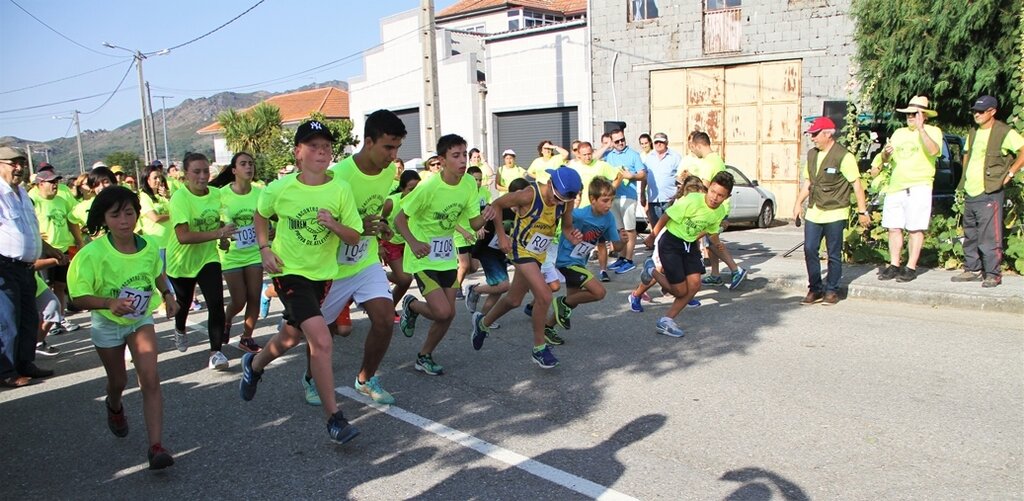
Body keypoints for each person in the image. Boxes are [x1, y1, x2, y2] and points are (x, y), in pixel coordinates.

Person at [240, 120, 364, 444]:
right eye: (313, 146)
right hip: (288, 271)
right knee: (321, 341)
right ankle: (334, 419)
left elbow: (354, 234)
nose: (321, 152)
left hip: (322, 275)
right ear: (298, 152)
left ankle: (253, 365)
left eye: (326, 147)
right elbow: (260, 213)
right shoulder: (280, 189)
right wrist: (264, 248)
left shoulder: (340, 189)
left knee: (291, 335)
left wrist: (333, 224)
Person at [66, 185, 178, 470]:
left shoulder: (148, 246)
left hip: (140, 320)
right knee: (118, 381)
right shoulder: (92, 254)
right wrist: (108, 302)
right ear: (104, 219)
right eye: (115, 215)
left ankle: (156, 447)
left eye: (129, 213)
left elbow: (157, 275)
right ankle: (114, 405)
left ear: (138, 215)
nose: (124, 221)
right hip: (107, 323)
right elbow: (77, 296)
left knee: (150, 378)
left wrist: (168, 295)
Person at [317, 109, 408, 405]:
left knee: (383, 319)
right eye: (388, 147)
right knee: (322, 331)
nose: (393, 155)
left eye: (397, 148)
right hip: (333, 265)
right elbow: (320, 219)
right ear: (368, 142)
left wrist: (379, 229)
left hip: (366, 259)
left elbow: (376, 211)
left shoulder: (386, 174)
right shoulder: (338, 174)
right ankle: (310, 377)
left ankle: (366, 378)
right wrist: (356, 224)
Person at [396, 133, 493, 376]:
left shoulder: (469, 183)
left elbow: (473, 222)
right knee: (442, 311)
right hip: (423, 256)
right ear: (443, 159)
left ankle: (424, 355)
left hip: (446, 255)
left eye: (464, 154)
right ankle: (412, 305)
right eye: (456, 156)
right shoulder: (428, 187)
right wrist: (414, 242)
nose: (462, 160)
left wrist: (488, 214)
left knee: (448, 315)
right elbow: (400, 219)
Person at [471, 166, 582, 368]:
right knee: (545, 295)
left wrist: (571, 235)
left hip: (539, 252)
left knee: (514, 300)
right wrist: (502, 235)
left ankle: (482, 323)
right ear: (550, 184)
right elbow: (496, 204)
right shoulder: (529, 195)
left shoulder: (566, 201)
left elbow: (566, 227)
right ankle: (539, 349)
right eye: (556, 198)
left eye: (562, 201)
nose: (557, 203)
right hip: (520, 250)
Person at [646, 171, 735, 338]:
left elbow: (710, 231)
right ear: (708, 188)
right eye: (713, 192)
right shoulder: (693, 200)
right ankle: (651, 270)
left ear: (727, 196)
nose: (714, 198)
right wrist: (652, 236)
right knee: (680, 291)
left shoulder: (719, 211)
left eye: (720, 195)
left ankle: (666, 321)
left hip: (689, 245)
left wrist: (717, 244)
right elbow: (666, 216)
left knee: (694, 285)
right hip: (671, 242)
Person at [792, 117, 870, 305]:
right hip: (815, 210)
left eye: (816, 134)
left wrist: (862, 211)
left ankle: (831, 290)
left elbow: (857, 186)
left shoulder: (844, 156)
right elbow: (808, 183)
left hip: (836, 210)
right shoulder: (811, 155)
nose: (813, 138)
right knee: (810, 248)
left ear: (828, 134)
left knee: (833, 253)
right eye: (811, 134)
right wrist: (797, 203)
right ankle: (815, 288)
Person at [166, 152, 232, 369]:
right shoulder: (180, 198)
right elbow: (183, 237)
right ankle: (180, 328)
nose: (202, 176)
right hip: (181, 261)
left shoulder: (216, 194)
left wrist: (224, 239)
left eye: (206, 171)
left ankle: (216, 353)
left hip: (208, 257)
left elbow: (221, 223)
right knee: (183, 304)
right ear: (186, 175)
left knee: (216, 303)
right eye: (197, 172)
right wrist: (218, 234)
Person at [0, 146, 60, 387]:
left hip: (26, 267)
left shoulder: (23, 194)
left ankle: (25, 363)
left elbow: (29, 231)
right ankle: (6, 371)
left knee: (27, 318)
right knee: (8, 320)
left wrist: (48, 248)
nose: (19, 168)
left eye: (21, 163)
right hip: (4, 266)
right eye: (12, 163)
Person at [952, 95, 1024, 288]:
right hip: (971, 190)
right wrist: (965, 178)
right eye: (975, 111)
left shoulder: (1003, 131)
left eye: (981, 111)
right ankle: (972, 268)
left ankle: (993, 273)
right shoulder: (973, 132)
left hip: (990, 190)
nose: (977, 114)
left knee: (989, 235)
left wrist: (1010, 172)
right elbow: (966, 155)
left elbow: (1023, 150)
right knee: (971, 233)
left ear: (992, 112)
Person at [869, 95, 943, 283]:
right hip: (896, 186)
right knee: (894, 227)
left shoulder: (933, 131)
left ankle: (910, 266)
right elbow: (886, 160)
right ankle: (894, 264)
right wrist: (885, 155)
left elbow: (934, 151)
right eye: (908, 114)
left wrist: (921, 130)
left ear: (924, 115)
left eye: (914, 113)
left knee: (915, 228)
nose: (910, 117)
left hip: (919, 185)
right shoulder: (899, 133)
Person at [542, 176, 618, 345]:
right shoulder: (580, 215)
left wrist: (624, 241)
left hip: (579, 262)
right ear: (592, 199)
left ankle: (547, 327)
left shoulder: (609, 218)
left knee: (573, 301)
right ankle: (560, 302)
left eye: (611, 200)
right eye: (605, 200)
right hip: (566, 261)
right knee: (599, 292)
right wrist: (568, 231)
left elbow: (617, 247)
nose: (609, 205)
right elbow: (562, 216)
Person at [210, 152, 263, 353]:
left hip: (253, 252)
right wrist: (222, 237)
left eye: (251, 163)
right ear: (234, 170)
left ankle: (247, 337)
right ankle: (227, 320)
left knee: (254, 297)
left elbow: (268, 217)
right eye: (243, 164)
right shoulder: (221, 194)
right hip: (230, 253)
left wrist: (270, 231)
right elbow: (217, 223)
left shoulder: (260, 193)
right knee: (239, 300)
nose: (248, 167)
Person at [632, 175, 707, 311]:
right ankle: (636, 294)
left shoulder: (700, 204)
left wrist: (697, 244)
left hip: (686, 242)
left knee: (687, 271)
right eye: (696, 190)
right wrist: (652, 236)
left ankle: (684, 295)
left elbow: (696, 228)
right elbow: (665, 219)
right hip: (669, 239)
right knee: (659, 269)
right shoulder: (682, 202)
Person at [465, 178, 530, 325]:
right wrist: (481, 226)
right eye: (521, 194)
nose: (525, 198)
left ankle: (483, 319)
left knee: (498, 288)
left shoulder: (526, 213)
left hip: (503, 252)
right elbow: (484, 212)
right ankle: (475, 290)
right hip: (487, 250)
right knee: (504, 285)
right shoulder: (501, 207)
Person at [690, 131, 747, 289]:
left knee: (713, 241)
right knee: (710, 242)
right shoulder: (717, 159)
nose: (692, 151)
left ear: (699, 145)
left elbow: (705, 186)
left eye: (693, 147)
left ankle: (736, 269)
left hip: (714, 208)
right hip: (718, 207)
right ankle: (715, 274)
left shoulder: (709, 162)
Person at [31, 169, 83, 335]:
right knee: (46, 287)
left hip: (62, 247)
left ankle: (60, 318)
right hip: (43, 250)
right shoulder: (32, 200)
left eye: (57, 182)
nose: (55, 185)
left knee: (60, 286)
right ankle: (45, 321)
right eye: (51, 182)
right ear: (40, 184)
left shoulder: (61, 200)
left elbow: (71, 222)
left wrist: (79, 241)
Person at [603, 128, 646, 274]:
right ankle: (622, 258)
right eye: (617, 141)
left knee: (629, 229)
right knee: (620, 230)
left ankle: (629, 260)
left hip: (628, 197)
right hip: (614, 197)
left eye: (622, 139)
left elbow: (642, 174)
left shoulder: (633, 155)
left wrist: (631, 176)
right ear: (612, 143)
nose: (621, 143)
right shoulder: (609, 156)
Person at [382, 170, 421, 315]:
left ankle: (389, 309)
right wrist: (379, 244)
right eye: (411, 189)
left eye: (418, 189)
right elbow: (378, 220)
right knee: (405, 278)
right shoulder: (392, 202)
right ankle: (379, 276)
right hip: (390, 242)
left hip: (408, 244)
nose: (414, 193)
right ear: (402, 188)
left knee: (406, 280)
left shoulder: (421, 202)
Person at [454, 166, 489, 299]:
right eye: (475, 179)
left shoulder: (484, 192)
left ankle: (458, 279)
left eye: (480, 180)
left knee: (473, 267)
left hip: (475, 233)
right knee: (464, 265)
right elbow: (451, 220)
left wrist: (482, 226)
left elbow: (485, 212)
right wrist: (463, 232)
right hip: (460, 234)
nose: (478, 183)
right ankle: (456, 288)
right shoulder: (460, 193)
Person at [643, 133, 682, 224]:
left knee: (670, 227)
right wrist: (642, 195)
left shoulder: (676, 157)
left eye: (661, 142)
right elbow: (644, 177)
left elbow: (681, 178)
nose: (659, 144)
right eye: (656, 142)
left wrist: (679, 196)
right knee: (656, 228)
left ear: (667, 143)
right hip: (653, 199)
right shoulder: (649, 158)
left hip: (670, 200)